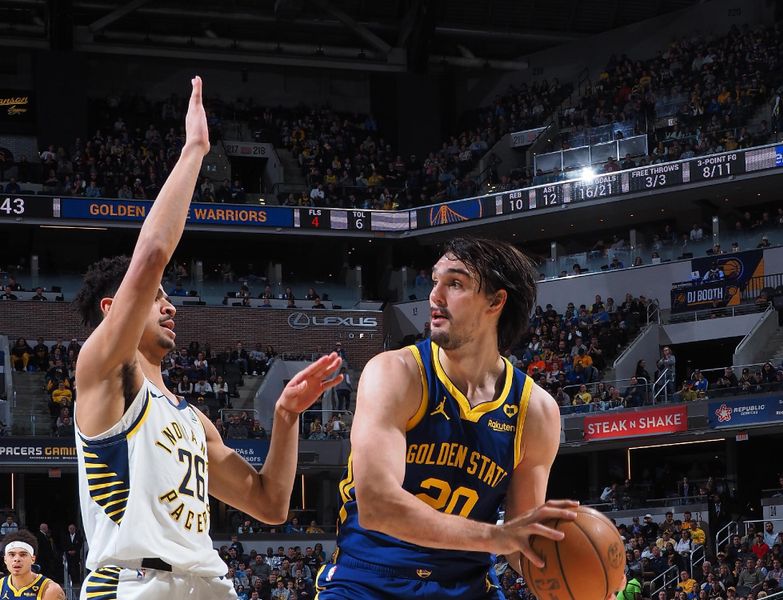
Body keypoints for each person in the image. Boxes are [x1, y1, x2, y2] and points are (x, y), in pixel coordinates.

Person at [73, 78, 343, 600]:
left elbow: (269, 504)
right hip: (134, 584)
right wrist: (195, 150)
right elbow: (151, 253)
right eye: (157, 298)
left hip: (209, 584)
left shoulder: (194, 418)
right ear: (115, 309)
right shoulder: (104, 373)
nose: (170, 304)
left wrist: (286, 419)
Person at [316, 237, 624, 599]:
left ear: (496, 301)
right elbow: (377, 506)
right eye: (435, 281)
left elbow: (515, 545)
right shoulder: (396, 373)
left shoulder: (535, 410)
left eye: (455, 284)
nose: (434, 296)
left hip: (467, 586)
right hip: (367, 581)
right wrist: (496, 537)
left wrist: (575, 570)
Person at [1, 530, 65, 599]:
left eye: (23, 555)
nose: (17, 559)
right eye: (12, 555)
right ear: (5, 559)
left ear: (33, 559)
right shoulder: (1, 586)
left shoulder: (50, 589)